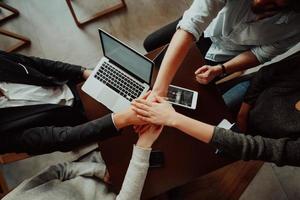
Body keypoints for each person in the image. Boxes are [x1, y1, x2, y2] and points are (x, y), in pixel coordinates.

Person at [131, 51, 300, 166]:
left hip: (259, 137)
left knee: (202, 153)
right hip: (249, 98)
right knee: (201, 110)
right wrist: (242, 113)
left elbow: (256, 148)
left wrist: (172, 118)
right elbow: (265, 74)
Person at [144, 0, 300, 108]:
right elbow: (192, 23)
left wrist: (221, 68)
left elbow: (260, 54)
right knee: (151, 44)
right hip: (206, 27)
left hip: (223, 57)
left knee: (186, 87)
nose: (259, 2)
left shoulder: (295, 26)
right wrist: (159, 90)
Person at [2, 108, 163, 200]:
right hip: (130, 191)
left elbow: (60, 170)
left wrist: (100, 171)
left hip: (99, 165)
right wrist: (143, 146)